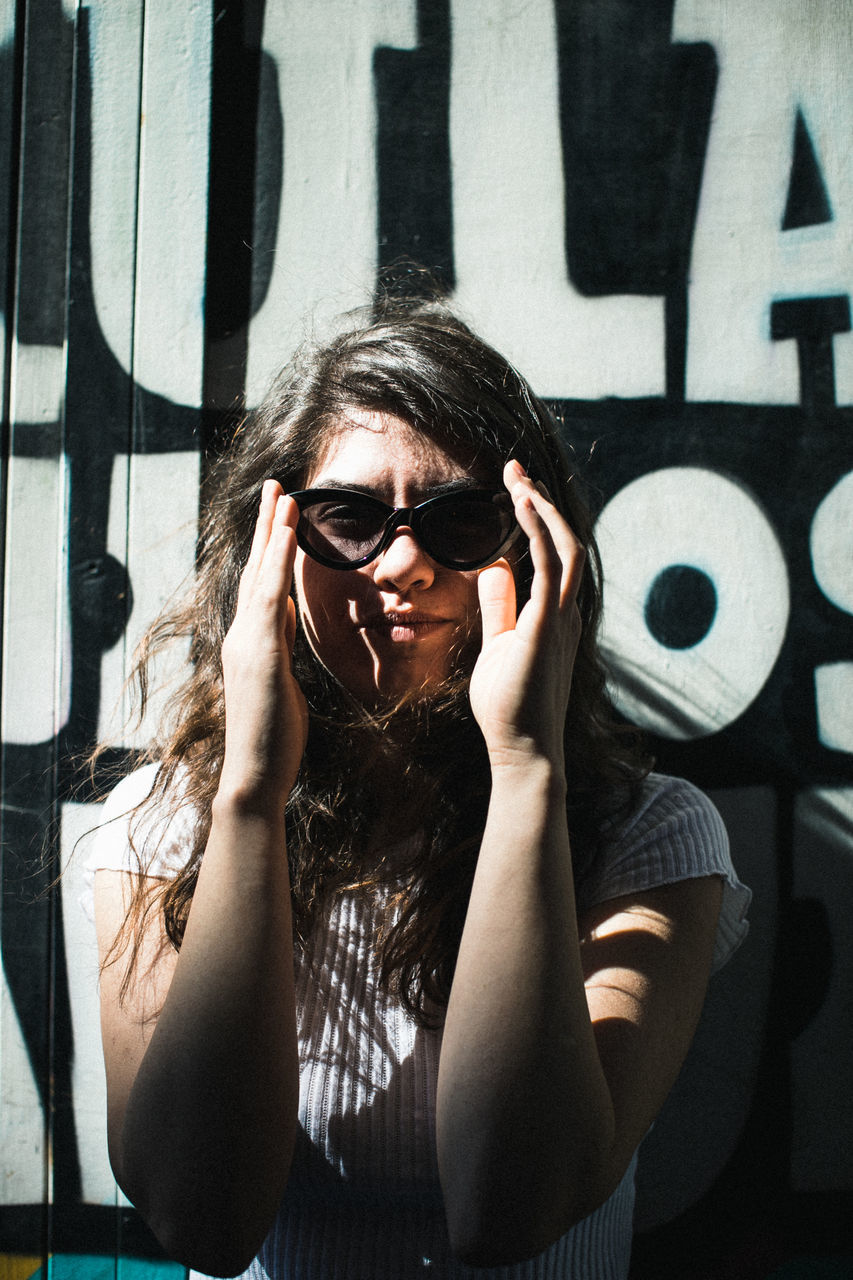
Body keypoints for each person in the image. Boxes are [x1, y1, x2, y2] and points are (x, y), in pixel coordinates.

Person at [88, 302, 750, 1280]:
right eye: (347, 515)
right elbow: (202, 1218)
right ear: (269, 545)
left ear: (528, 547)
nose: (401, 564)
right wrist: (249, 795)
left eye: (458, 519)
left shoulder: (645, 836)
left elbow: (510, 1208)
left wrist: (527, 772)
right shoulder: (161, 825)